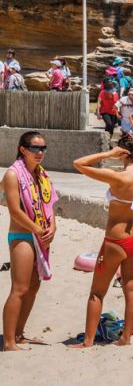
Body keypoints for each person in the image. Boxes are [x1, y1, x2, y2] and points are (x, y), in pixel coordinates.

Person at [71, 134, 133, 348]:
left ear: (122, 154)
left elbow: (79, 164)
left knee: (97, 292)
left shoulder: (117, 178)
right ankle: (125, 338)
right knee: (132, 288)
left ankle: (88, 341)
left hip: (117, 241)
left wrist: (108, 154)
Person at [2, 132, 58, 351]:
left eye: (43, 148)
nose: (41, 152)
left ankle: (18, 333)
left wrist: (52, 227)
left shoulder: (42, 174)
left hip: (40, 235)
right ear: (23, 149)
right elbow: (15, 211)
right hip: (23, 235)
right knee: (20, 288)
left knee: (34, 286)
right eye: (36, 148)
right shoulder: (13, 175)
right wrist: (36, 229)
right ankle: (8, 342)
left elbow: (50, 203)